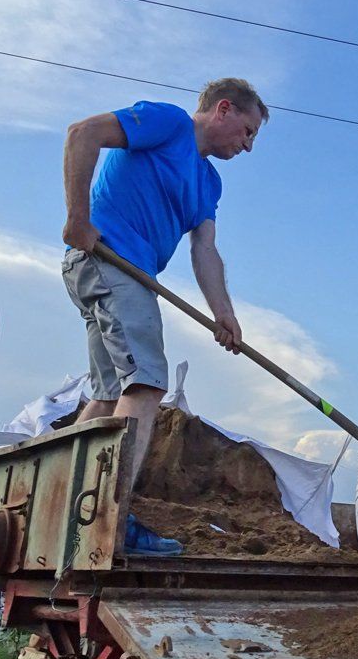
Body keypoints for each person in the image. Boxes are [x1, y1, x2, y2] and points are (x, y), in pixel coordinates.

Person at [61, 78, 267, 555]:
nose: (248, 145)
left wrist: (224, 314)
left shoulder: (209, 180)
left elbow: (205, 249)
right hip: (111, 260)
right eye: (248, 131)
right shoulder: (168, 123)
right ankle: (108, 517)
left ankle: (66, 504)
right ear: (223, 110)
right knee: (147, 385)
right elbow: (82, 133)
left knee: (110, 395)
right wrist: (77, 217)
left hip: (126, 273)